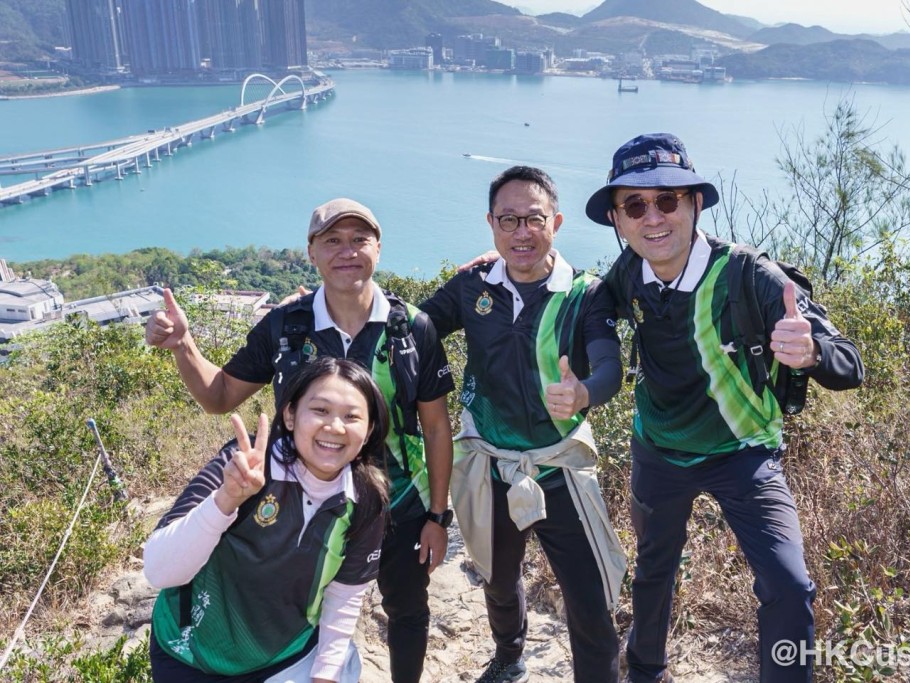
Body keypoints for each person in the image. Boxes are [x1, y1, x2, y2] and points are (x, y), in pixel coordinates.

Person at [583, 133, 865, 683]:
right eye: (634, 205)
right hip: (658, 451)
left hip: (744, 454)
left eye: (668, 199)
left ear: (695, 204)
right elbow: (589, 302)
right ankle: (645, 672)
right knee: (653, 573)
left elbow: (850, 362)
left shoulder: (749, 276)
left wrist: (810, 352)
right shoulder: (628, 274)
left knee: (788, 586)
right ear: (618, 220)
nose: (653, 217)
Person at [145, 198, 455, 683]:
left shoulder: (410, 328)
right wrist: (183, 345)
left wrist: (438, 515)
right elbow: (221, 396)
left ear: (378, 247)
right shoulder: (287, 326)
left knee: (407, 608)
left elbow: (437, 427)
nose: (347, 251)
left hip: (397, 500)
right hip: (300, 499)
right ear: (311, 253)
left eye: (359, 240)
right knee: (305, 603)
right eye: (332, 240)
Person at [419, 166, 627, 683]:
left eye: (534, 219)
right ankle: (509, 656)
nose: (521, 233)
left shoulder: (584, 294)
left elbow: (609, 364)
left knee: (588, 600)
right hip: (490, 460)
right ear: (491, 224)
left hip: (558, 467)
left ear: (554, 222)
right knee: (498, 577)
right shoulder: (473, 285)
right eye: (508, 220)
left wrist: (583, 391)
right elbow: (418, 330)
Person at [144, 357, 390, 682]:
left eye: (352, 416)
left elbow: (344, 595)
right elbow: (160, 571)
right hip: (191, 652)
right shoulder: (243, 465)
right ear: (290, 415)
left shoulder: (366, 498)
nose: (335, 427)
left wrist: (325, 675)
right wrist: (226, 500)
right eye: (320, 410)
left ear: (369, 429)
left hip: (286, 654)